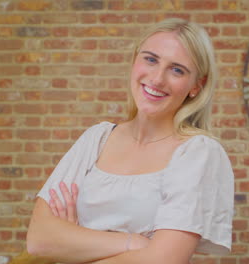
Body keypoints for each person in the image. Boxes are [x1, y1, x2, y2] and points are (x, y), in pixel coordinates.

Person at [26, 18, 235, 264]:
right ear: (135, 59)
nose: (157, 79)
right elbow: (39, 239)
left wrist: (75, 243)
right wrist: (133, 243)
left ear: (196, 86)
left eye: (177, 70)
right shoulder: (96, 138)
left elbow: (163, 260)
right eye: (150, 59)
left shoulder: (198, 152)